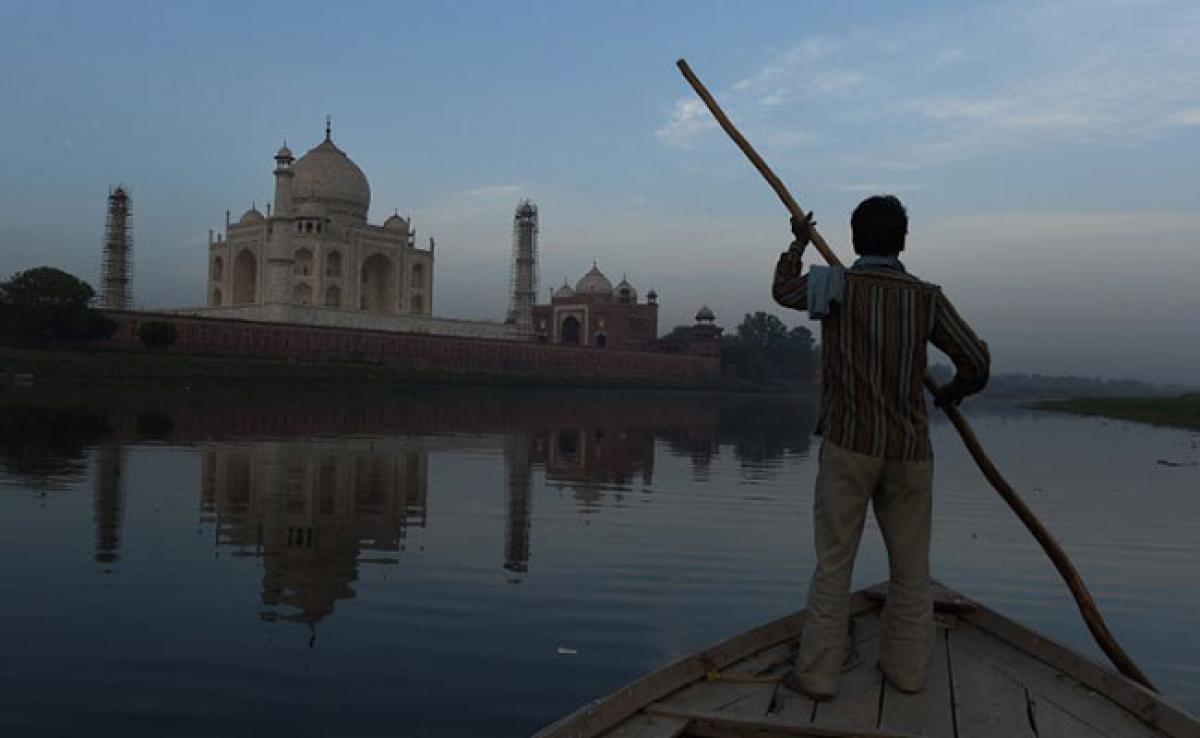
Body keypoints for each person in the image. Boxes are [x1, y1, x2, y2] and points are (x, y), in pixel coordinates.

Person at [771, 195, 990, 700]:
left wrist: (797, 243)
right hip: (909, 451)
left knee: (833, 564)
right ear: (902, 242)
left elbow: (784, 290)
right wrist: (954, 391)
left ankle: (818, 676)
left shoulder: (834, 284)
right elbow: (976, 361)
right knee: (912, 568)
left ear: (853, 240)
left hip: (849, 446)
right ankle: (907, 672)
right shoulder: (925, 297)